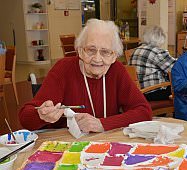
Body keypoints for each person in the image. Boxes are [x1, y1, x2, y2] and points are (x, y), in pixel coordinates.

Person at [19, 19, 152, 133]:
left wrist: (102, 124)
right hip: (67, 148)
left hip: (107, 146)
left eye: (105, 52)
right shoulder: (63, 69)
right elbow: (25, 117)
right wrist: (41, 115)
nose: (97, 58)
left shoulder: (117, 70)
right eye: (91, 50)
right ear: (80, 51)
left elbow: (144, 111)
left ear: (114, 56)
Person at [128, 25, 176, 101]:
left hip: (138, 93)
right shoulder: (157, 52)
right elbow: (176, 68)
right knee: (181, 88)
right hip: (152, 92)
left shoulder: (135, 50)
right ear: (160, 38)